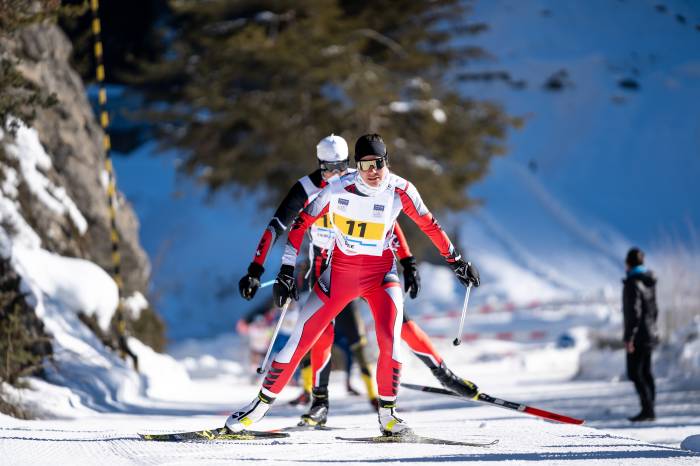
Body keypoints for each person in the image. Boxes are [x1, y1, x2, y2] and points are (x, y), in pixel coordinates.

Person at [226, 133, 480, 436]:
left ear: (386, 161)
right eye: (365, 165)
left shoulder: (401, 190)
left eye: (378, 164)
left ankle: (389, 415)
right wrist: (284, 271)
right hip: (338, 277)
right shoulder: (334, 189)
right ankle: (259, 408)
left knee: (389, 338)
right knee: (301, 340)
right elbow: (298, 225)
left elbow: (430, 225)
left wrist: (455, 261)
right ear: (356, 166)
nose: (373, 172)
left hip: (381, 277)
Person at [622, 247, 659, 422]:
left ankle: (648, 409)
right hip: (651, 332)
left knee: (634, 373)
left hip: (638, 335)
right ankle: (650, 407)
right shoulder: (649, 280)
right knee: (646, 371)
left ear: (628, 263)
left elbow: (634, 313)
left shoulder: (632, 282)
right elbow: (654, 310)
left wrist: (629, 337)